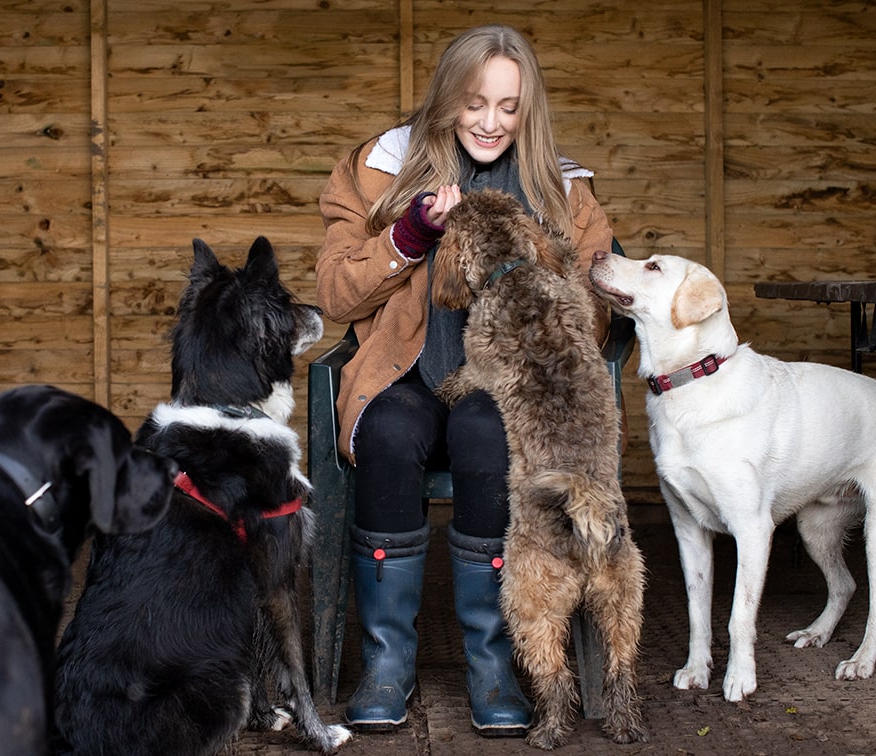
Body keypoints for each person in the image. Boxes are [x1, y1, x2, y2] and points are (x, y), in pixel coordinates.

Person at [314, 24, 614, 736]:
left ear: (528, 110)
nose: (490, 122)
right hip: (406, 371)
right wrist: (408, 238)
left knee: (489, 434)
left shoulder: (561, 188)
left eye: (509, 107)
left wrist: (557, 285)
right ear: (447, 97)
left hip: (505, 387)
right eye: (475, 103)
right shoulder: (378, 169)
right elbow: (333, 293)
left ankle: (492, 662)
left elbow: (600, 297)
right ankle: (387, 662)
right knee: (387, 430)